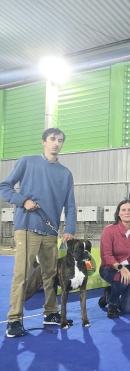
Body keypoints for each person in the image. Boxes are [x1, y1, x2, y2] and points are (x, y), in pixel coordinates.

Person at [0, 128, 76, 338]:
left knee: (50, 275)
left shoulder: (65, 173)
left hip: (50, 232)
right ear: (44, 142)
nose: (56, 143)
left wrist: (69, 229)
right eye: (52, 139)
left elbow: (70, 205)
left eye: (60, 140)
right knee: (22, 275)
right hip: (26, 227)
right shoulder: (27, 162)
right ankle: (14, 319)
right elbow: (4, 186)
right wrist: (22, 200)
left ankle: (50, 313)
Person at [99, 199, 130, 319]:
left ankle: (109, 293)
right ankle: (112, 304)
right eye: (123, 210)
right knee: (121, 280)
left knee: (127, 309)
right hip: (109, 268)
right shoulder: (109, 230)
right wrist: (121, 268)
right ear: (118, 213)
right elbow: (106, 256)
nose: (126, 212)